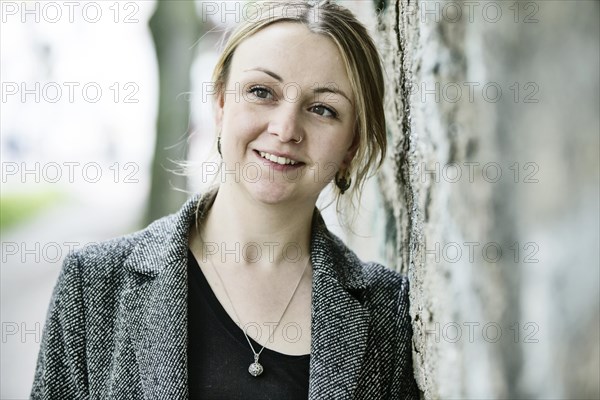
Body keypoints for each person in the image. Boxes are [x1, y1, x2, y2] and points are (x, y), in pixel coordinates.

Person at [31, 1, 420, 399]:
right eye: (261, 92)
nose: (285, 128)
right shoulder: (93, 283)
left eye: (322, 109)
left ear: (352, 145)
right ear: (220, 104)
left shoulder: (385, 312)